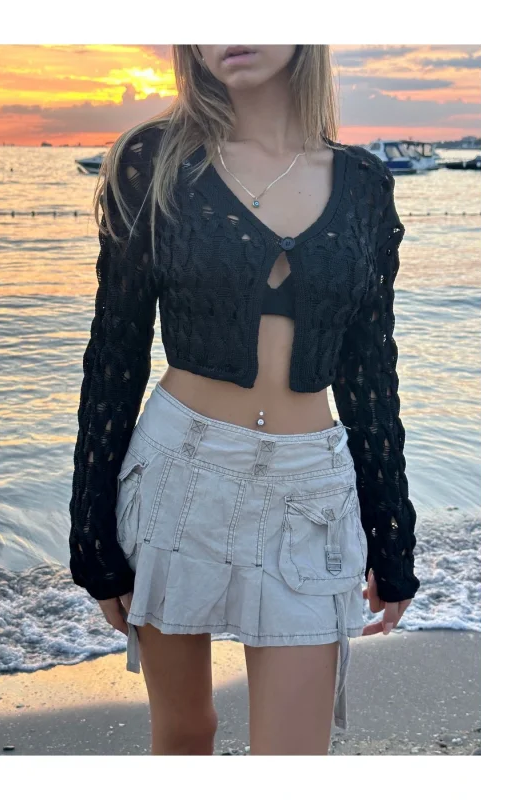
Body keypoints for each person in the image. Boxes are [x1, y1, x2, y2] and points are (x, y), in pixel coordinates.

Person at [69, 44, 421, 756]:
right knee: (185, 732)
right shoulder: (155, 162)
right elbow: (114, 355)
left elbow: (369, 372)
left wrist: (391, 529)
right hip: (179, 475)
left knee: (293, 758)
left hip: (309, 490)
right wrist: (90, 530)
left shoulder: (363, 185)